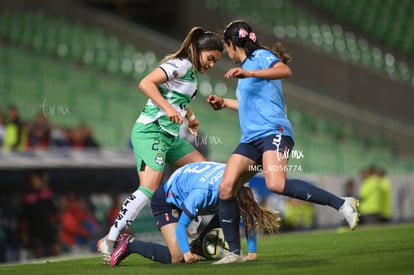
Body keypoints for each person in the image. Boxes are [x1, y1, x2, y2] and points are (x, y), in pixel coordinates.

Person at [207, 20, 360, 264]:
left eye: (226, 46)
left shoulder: (260, 57)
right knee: (226, 187)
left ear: (233, 44)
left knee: (276, 184)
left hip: (274, 132)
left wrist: (250, 72)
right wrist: (224, 103)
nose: (226, 52)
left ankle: (342, 203)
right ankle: (234, 253)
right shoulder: (245, 70)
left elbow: (284, 71)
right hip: (251, 139)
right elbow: (248, 105)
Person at [97, 27, 224, 264]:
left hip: (169, 136)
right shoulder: (181, 65)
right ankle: (110, 238)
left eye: (215, 61)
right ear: (199, 50)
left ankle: (191, 231)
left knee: (203, 169)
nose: (212, 64)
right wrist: (166, 109)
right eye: (211, 58)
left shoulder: (191, 74)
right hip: (151, 131)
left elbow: (179, 99)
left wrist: (191, 118)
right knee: (148, 188)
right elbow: (146, 83)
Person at [109, 162, 280, 266]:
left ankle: (199, 245)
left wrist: (252, 251)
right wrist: (186, 253)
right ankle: (130, 244)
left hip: (195, 186)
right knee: (176, 257)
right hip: (167, 201)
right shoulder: (201, 194)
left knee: (231, 211)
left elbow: (248, 215)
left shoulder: (241, 183)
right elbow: (182, 226)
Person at [19, 170, 60, 258]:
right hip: (35, 228)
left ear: (40, 181)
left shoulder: (48, 193)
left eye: (36, 180)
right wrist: (24, 232)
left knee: (55, 249)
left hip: (48, 227)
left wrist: (57, 225)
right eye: (32, 180)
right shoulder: (27, 196)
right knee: (39, 253)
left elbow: (54, 211)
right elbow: (23, 217)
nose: (34, 182)